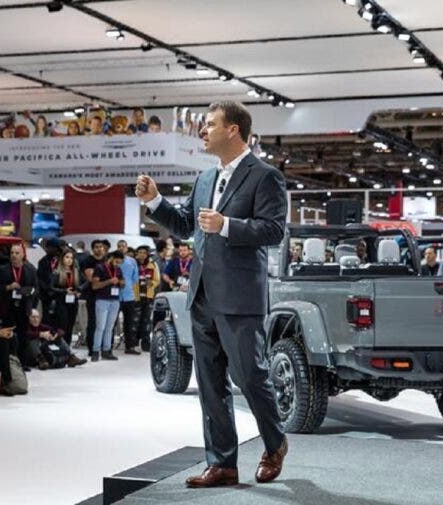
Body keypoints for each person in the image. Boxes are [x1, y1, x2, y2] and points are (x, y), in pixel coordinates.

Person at [136, 100, 288, 487]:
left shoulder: (264, 176)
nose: (203, 131)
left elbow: (273, 231)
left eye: (210, 124)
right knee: (210, 383)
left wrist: (227, 225)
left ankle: (275, 443)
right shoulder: (205, 179)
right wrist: (155, 201)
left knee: (250, 376)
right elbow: (186, 224)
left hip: (240, 296)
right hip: (202, 295)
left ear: (233, 129)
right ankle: (222, 463)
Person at [0, 242, 38, 368]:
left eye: (17, 253)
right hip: (7, 308)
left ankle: (22, 363)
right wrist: (9, 287)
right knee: (9, 337)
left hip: (24, 307)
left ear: (23, 254)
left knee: (24, 337)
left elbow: (36, 289)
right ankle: (9, 363)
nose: (14, 255)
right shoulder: (2, 270)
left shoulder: (30, 270)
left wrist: (26, 295)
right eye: (12, 253)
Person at [90, 250, 125, 361]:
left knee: (109, 328)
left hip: (115, 301)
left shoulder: (118, 270)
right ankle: (95, 351)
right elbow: (94, 286)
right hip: (102, 300)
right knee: (100, 327)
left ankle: (107, 350)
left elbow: (123, 284)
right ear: (110, 258)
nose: (117, 264)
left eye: (119, 263)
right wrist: (109, 281)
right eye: (116, 262)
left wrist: (121, 283)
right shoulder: (99, 268)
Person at [80, 239, 110, 355]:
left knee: (105, 323)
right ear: (93, 249)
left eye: (101, 247)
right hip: (92, 296)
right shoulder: (88, 261)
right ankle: (92, 348)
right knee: (93, 322)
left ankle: (105, 347)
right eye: (96, 247)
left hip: (106, 295)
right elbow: (91, 279)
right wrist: (106, 278)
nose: (99, 249)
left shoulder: (107, 261)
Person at [50, 248, 80, 346]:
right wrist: (64, 291)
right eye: (67, 257)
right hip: (61, 302)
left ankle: (67, 347)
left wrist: (78, 291)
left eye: (71, 258)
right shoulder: (57, 272)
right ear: (62, 258)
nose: (69, 260)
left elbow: (86, 282)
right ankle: (60, 346)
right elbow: (51, 288)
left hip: (73, 302)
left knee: (71, 325)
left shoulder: (76, 271)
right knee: (63, 325)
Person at [116, 240, 140, 354]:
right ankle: (107, 346)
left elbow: (136, 278)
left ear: (127, 248)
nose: (121, 248)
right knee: (111, 322)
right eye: (119, 246)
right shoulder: (113, 260)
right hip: (114, 295)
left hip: (129, 295)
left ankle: (129, 346)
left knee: (129, 322)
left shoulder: (132, 261)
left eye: (123, 246)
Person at [133, 246, 159, 352]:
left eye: (144, 252)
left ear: (147, 254)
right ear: (136, 253)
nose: (142, 254)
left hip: (148, 296)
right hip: (136, 296)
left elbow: (157, 280)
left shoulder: (152, 264)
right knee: (135, 321)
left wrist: (152, 283)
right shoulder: (133, 264)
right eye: (140, 252)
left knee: (147, 321)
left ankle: (146, 343)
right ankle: (133, 342)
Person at [37, 237, 62, 326]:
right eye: (47, 247)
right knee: (47, 318)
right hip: (46, 296)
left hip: (60, 294)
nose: (48, 249)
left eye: (51, 247)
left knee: (59, 318)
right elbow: (40, 278)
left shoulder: (62, 261)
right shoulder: (42, 262)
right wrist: (48, 290)